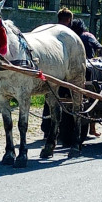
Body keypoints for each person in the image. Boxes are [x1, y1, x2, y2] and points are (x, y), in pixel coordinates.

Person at [41, 7, 75, 137]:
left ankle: (46, 127)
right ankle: (64, 128)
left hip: (50, 71)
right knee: (66, 97)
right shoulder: (67, 35)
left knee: (49, 96)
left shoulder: (50, 32)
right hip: (64, 72)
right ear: (69, 20)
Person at [71, 18, 102, 137]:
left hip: (72, 69)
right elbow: (99, 47)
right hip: (88, 69)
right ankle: (92, 128)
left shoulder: (71, 37)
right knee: (93, 95)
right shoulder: (87, 35)